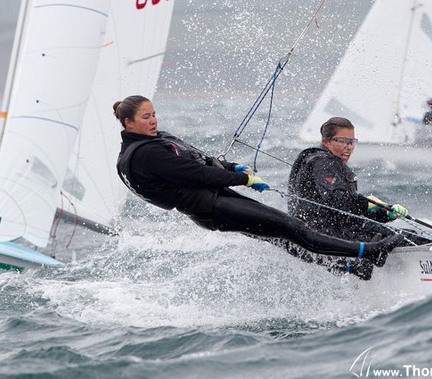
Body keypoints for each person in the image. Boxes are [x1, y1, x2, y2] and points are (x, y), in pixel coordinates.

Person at [113, 95, 403, 273]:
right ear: (128, 123)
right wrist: (244, 179)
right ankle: (367, 252)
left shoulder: (155, 140)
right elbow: (195, 174)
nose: (153, 121)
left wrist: (231, 167)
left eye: (154, 114)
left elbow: (199, 160)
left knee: (282, 235)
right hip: (212, 208)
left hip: (216, 199)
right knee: (294, 228)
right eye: (145, 117)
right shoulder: (144, 155)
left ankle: (349, 266)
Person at [287, 116, 414, 280]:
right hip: (326, 234)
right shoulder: (323, 162)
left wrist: (384, 213)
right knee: (409, 238)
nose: (348, 147)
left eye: (351, 142)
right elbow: (336, 202)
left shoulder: (322, 160)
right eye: (342, 141)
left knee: (402, 234)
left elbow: (346, 209)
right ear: (326, 141)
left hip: (332, 229)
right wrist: (368, 204)